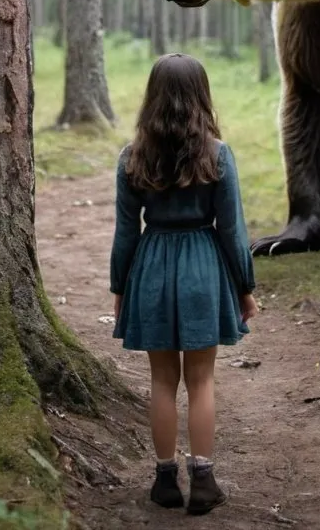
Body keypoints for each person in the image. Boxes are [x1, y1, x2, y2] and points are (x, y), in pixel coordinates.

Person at [109, 53, 258, 515]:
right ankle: (205, 480)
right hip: (202, 268)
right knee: (201, 381)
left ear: (151, 97)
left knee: (160, 380)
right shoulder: (217, 154)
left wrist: (120, 288)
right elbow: (232, 230)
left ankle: (164, 482)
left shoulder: (132, 157)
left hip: (152, 267)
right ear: (201, 96)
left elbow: (126, 233)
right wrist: (245, 288)